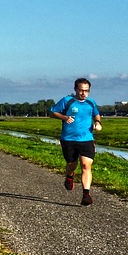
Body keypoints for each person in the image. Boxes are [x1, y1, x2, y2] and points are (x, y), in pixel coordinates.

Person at [50, 77, 102, 205]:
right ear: (75, 89)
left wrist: (97, 122)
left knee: (86, 165)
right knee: (71, 164)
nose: (84, 93)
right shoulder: (67, 101)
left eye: (86, 90)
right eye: (81, 90)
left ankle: (86, 195)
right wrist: (64, 117)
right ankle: (69, 175)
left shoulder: (91, 103)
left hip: (87, 139)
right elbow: (52, 112)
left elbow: (96, 114)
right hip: (68, 139)